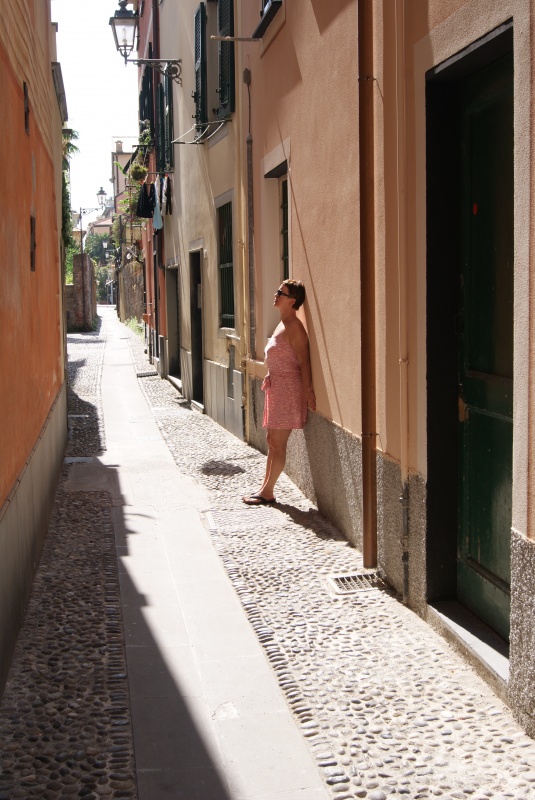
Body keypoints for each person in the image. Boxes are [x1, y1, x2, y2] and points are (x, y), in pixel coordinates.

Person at [243, 279, 316, 505]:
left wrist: (308, 391)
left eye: (281, 293)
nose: (276, 295)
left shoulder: (295, 327)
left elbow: (304, 361)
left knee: (278, 442)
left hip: (288, 390)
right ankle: (264, 488)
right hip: (277, 388)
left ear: (292, 301)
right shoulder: (282, 324)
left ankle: (268, 491)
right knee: (271, 440)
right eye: (277, 291)